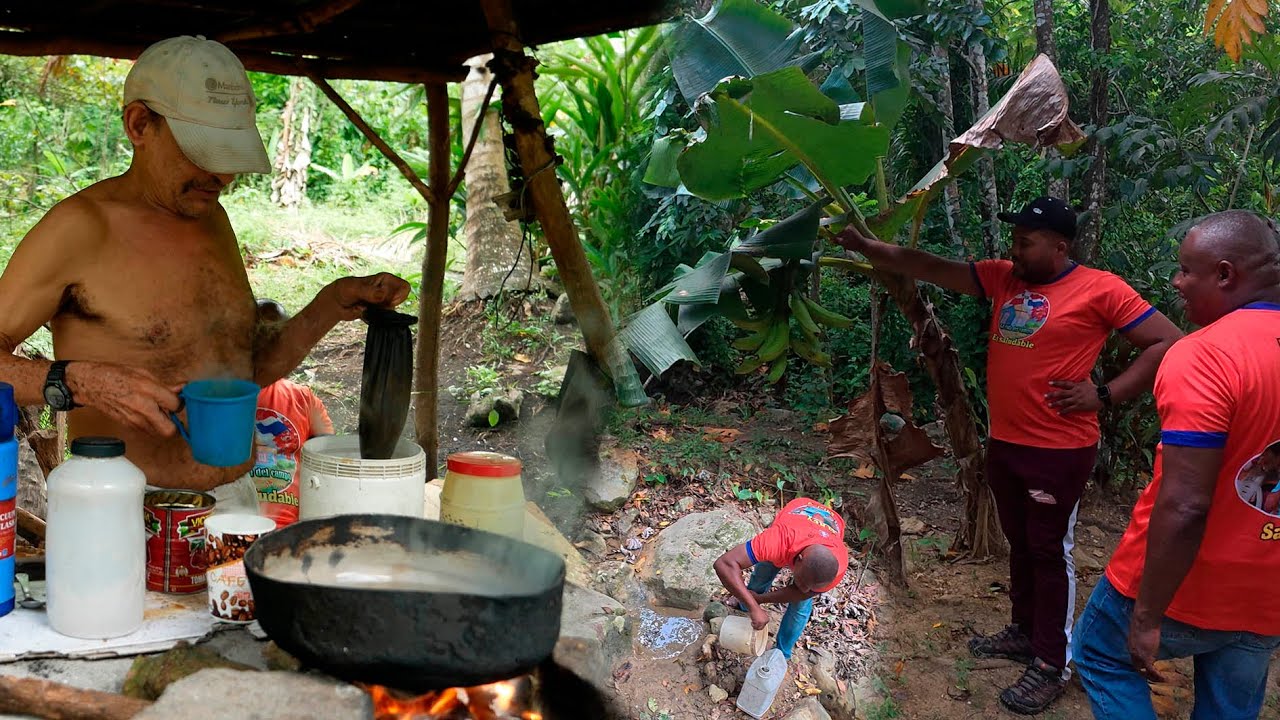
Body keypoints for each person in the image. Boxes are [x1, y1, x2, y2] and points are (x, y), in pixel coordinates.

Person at [0, 36, 409, 513]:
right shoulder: (78, 229)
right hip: (126, 509)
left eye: (229, 155)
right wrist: (83, 382)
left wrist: (329, 305)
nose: (222, 175)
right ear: (139, 124)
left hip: (234, 500)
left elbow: (241, 373)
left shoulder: (210, 217)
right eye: (203, 151)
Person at [835, 197, 1182, 714]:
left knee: (1048, 550)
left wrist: (1106, 393)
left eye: (1026, 241)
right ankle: (1025, 631)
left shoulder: (1100, 289)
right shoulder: (1004, 278)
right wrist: (871, 248)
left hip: (1059, 450)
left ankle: (1052, 661)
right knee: (1021, 544)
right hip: (1008, 442)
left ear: (1060, 247)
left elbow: (1168, 341)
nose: (1013, 248)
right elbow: (931, 266)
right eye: (1014, 239)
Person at [1073, 210, 1280, 720]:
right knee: (1231, 704)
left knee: (1100, 653)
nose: (1177, 282)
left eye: (1187, 269)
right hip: (1268, 589)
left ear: (1226, 274)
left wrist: (1145, 615)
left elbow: (1186, 505)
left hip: (1186, 582)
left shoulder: (1206, 355)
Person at [713, 497, 848, 660]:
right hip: (796, 517)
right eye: (804, 582)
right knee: (765, 569)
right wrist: (753, 606)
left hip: (830, 526)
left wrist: (761, 600)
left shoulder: (837, 567)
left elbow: (801, 593)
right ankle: (744, 606)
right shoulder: (779, 540)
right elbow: (724, 564)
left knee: (801, 605)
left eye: (811, 587)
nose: (805, 589)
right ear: (798, 559)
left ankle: (781, 653)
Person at [252, 300, 335, 528]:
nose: (266, 347)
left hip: (291, 529)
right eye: (260, 336)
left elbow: (329, 462)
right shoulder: (220, 397)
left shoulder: (304, 400)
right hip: (236, 525)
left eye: (274, 339)